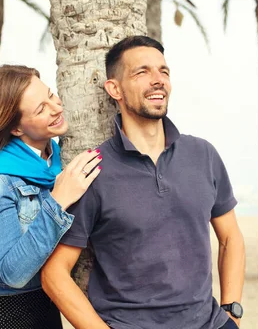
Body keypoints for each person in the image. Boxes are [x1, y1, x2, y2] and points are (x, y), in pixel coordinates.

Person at [41, 36, 246, 329]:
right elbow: (54, 273)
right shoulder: (93, 170)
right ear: (115, 89)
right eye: (142, 72)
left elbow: (230, 238)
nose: (158, 80)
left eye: (164, 71)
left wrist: (232, 311)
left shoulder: (203, 155)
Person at [0, 65, 102, 329]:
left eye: (51, 96)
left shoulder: (57, 158)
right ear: (16, 129)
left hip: (43, 302)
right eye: (40, 109)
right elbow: (14, 272)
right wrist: (58, 201)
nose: (56, 108)